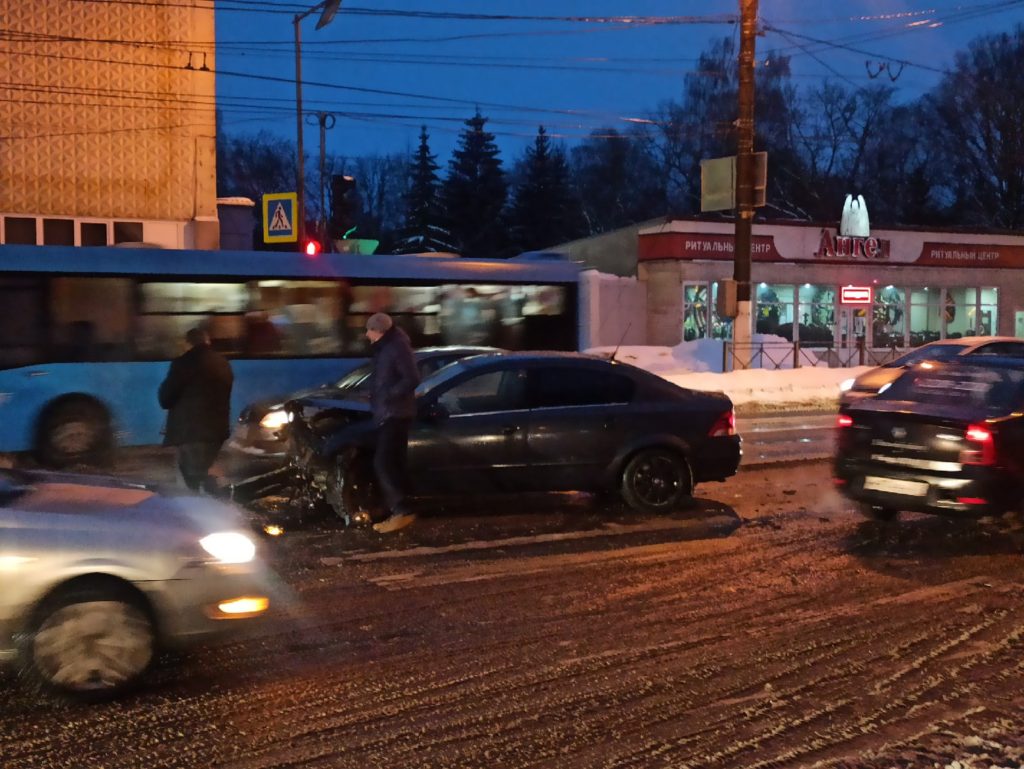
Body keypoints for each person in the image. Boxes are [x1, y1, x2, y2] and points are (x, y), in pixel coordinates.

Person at [158, 327, 234, 493]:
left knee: (191, 478)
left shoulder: (182, 363)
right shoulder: (223, 362)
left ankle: (213, 503)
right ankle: (216, 499)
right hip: (217, 432)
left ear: (187, 343)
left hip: (190, 432)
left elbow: (166, 398)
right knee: (201, 471)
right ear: (207, 342)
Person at [365, 312, 420, 533]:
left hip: (396, 413)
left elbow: (412, 378)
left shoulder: (396, 347)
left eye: (369, 329)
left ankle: (402, 510)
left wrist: (389, 396)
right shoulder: (387, 347)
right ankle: (398, 508)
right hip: (389, 412)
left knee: (383, 462)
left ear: (379, 331)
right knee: (393, 463)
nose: (366, 333)